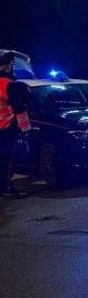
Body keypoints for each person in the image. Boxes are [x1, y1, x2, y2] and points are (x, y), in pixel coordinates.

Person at [0, 52, 31, 198]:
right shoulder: (10, 85)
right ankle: (4, 187)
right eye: (11, 65)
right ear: (6, 67)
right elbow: (19, 108)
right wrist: (25, 129)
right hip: (6, 128)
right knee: (6, 161)